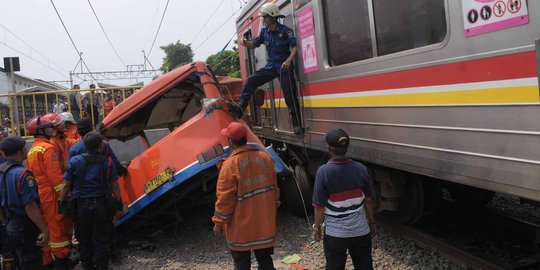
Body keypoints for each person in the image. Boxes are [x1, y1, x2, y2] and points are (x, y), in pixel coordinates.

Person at [212, 122, 280, 270]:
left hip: (241, 228)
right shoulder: (265, 158)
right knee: (265, 259)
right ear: (245, 137)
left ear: (230, 141)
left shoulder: (229, 165)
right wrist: (274, 207)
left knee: (242, 263)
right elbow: (274, 189)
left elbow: (225, 199)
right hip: (264, 223)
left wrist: (218, 222)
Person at [311, 129, 376, 270]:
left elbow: (319, 205)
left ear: (329, 149)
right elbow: (369, 200)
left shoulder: (324, 172)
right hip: (361, 231)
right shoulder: (361, 168)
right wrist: (372, 222)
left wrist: (317, 228)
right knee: (365, 266)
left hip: (336, 235)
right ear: (347, 148)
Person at [59, 131, 122, 270]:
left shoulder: (75, 161)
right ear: (100, 146)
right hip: (101, 207)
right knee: (101, 241)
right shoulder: (108, 162)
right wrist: (118, 204)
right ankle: (101, 266)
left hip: (81, 207)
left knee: (84, 240)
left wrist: (61, 200)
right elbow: (115, 185)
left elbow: (66, 184)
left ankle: (87, 266)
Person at [238, 2, 303, 135]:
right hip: (271, 66)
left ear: (272, 17)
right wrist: (245, 43)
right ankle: (240, 108)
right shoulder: (264, 32)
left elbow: (295, 47)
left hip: (284, 66)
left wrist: (289, 60)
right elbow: (253, 45)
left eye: (265, 17)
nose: (263, 20)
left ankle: (297, 125)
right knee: (251, 80)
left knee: (290, 96)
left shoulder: (286, 31)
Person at [26, 117, 73, 269]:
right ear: (40, 130)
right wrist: (65, 196)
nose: (52, 128)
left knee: (46, 228)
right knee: (57, 227)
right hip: (51, 196)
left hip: (41, 194)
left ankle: (47, 260)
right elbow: (56, 178)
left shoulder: (33, 149)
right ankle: (62, 260)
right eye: (49, 127)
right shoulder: (48, 148)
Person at [0, 136, 49, 269]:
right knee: (32, 262)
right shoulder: (23, 174)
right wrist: (45, 229)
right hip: (25, 225)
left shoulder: (1, 171)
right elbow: (30, 206)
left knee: (18, 261)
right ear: (22, 150)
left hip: (10, 224)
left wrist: (5, 222)